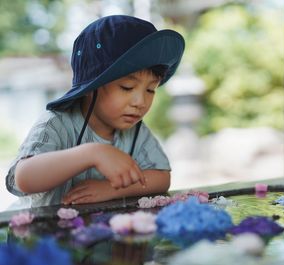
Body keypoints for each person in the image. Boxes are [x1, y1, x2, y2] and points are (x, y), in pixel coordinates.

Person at [5, 15, 185, 208]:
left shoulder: (135, 131)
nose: (140, 101)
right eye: (126, 87)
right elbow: (24, 177)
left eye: (150, 90)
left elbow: (162, 177)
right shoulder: (56, 123)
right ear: (91, 88)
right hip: (40, 233)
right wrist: (92, 153)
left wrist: (111, 188)